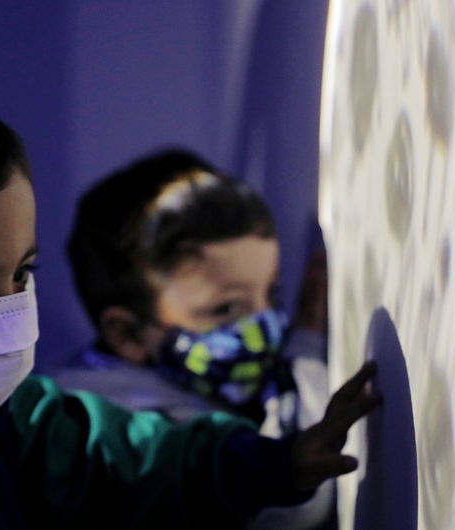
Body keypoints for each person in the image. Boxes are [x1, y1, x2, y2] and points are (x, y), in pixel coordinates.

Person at [0, 60, 380, 529]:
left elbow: (129, 461)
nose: (8, 314)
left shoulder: (10, 414)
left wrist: (275, 464)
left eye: (21, 275)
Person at [56, 150, 337, 528]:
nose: (264, 323)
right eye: (225, 309)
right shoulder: (115, 424)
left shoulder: (197, 377)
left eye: (273, 294)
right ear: (129, 334)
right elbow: (292, 509)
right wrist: (307, 344)